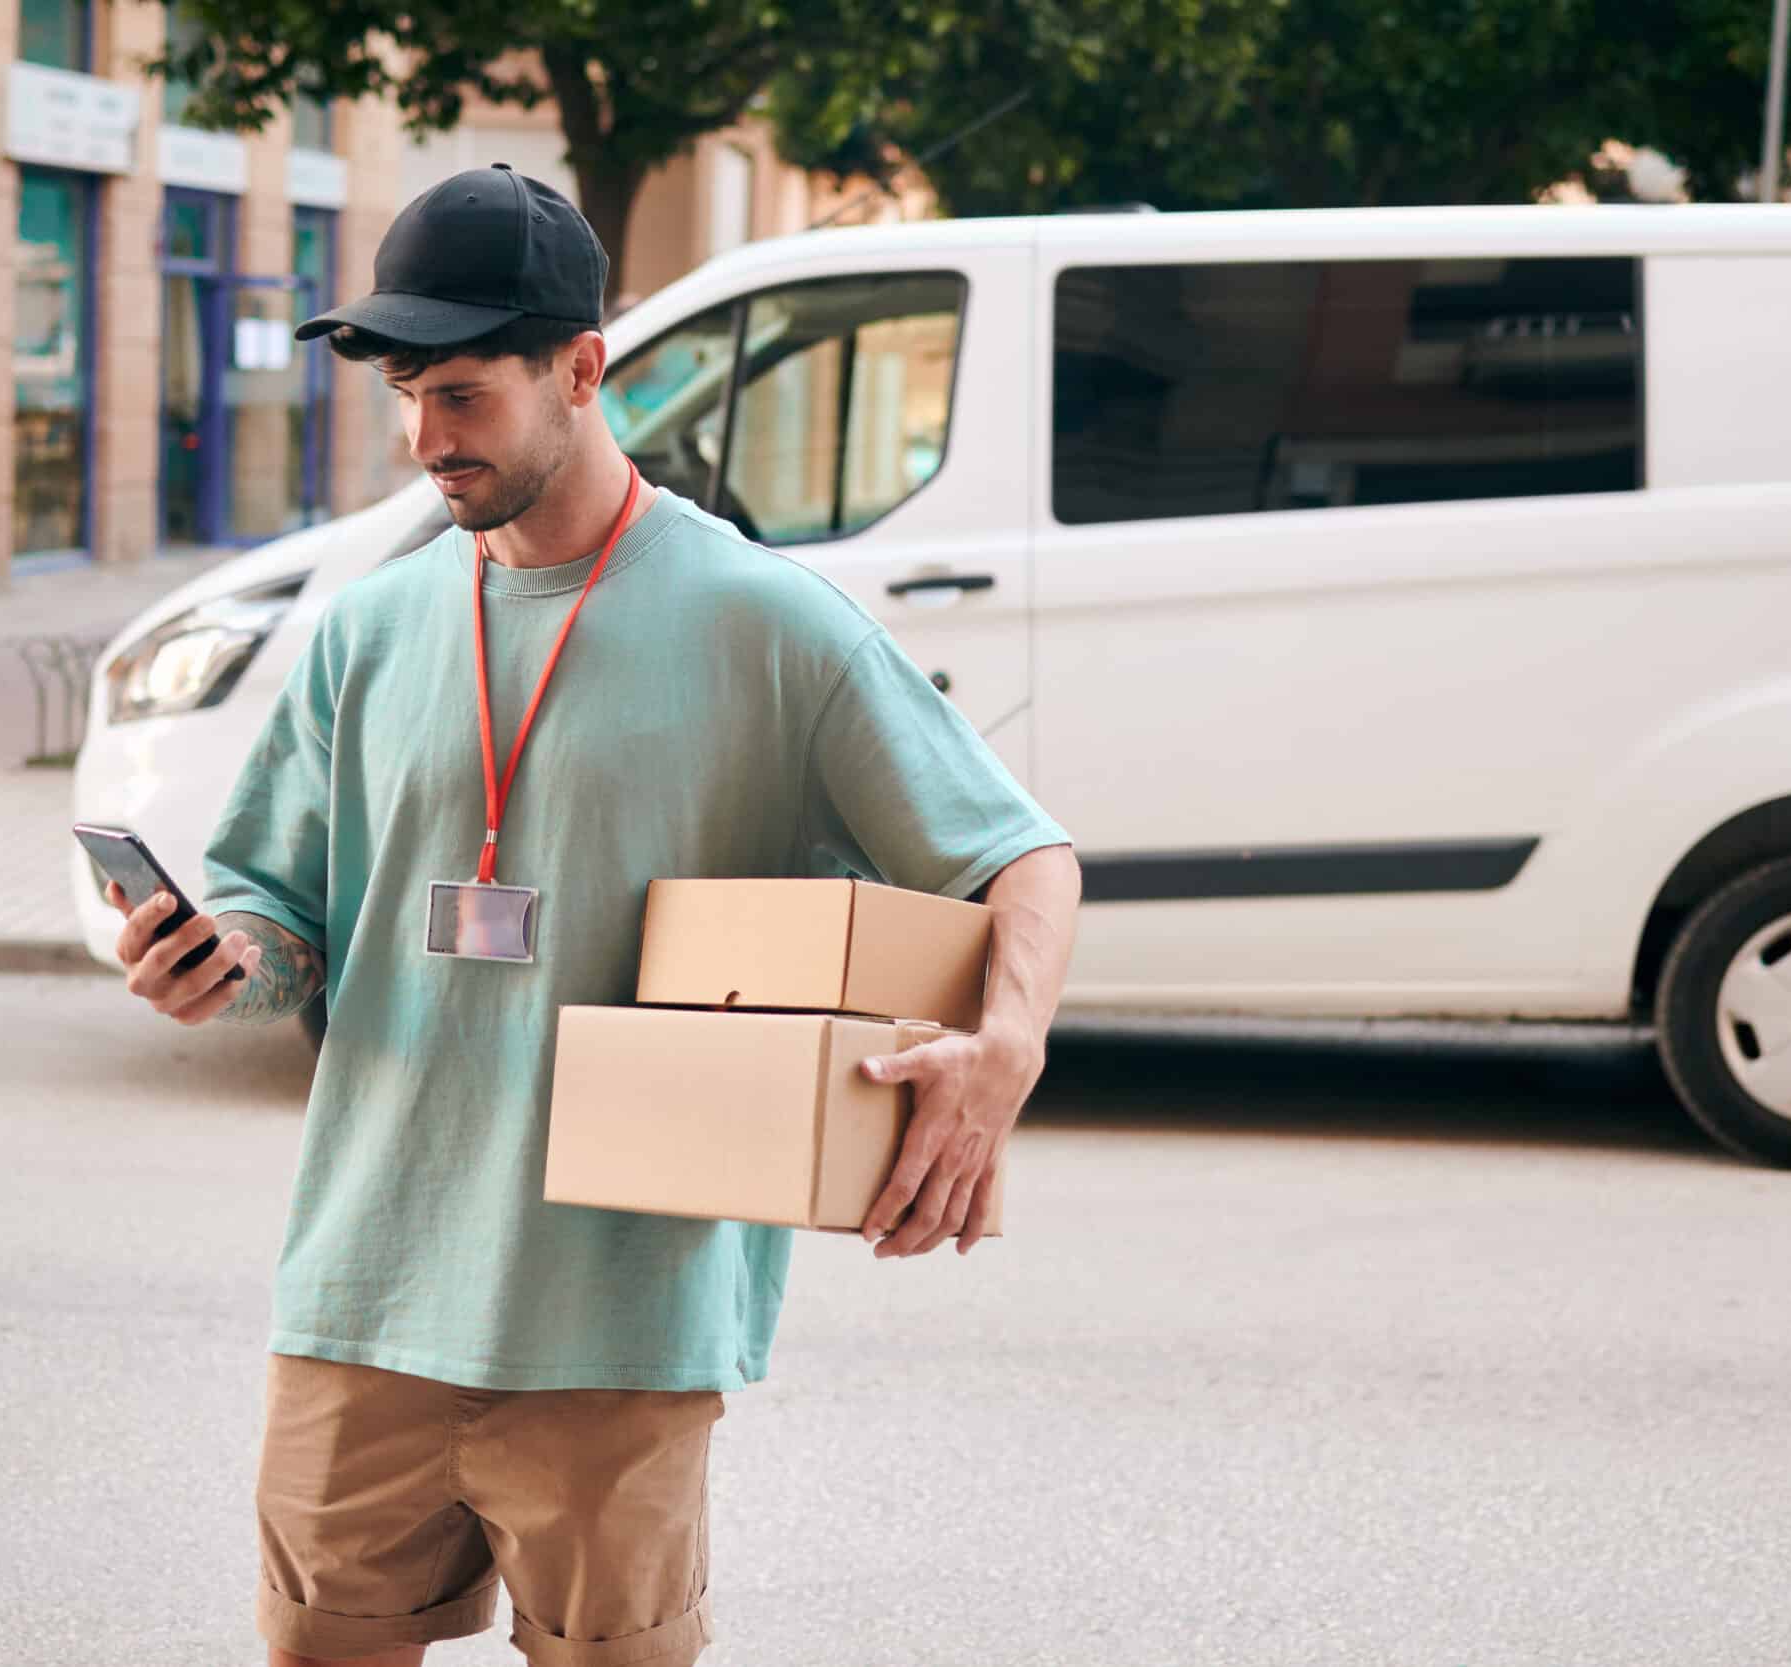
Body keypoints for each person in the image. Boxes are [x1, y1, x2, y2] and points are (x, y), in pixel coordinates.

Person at [105, 162, 1081, 1667]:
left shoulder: (768, 622)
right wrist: (215, 965)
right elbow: (273, 910)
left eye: (463, 396)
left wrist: (1001, 1052)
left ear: (580, 368)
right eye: (405, 395)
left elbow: (1021, 859)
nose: (426, 439)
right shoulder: (367, 627)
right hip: (363, 1293)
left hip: (617, 1323)